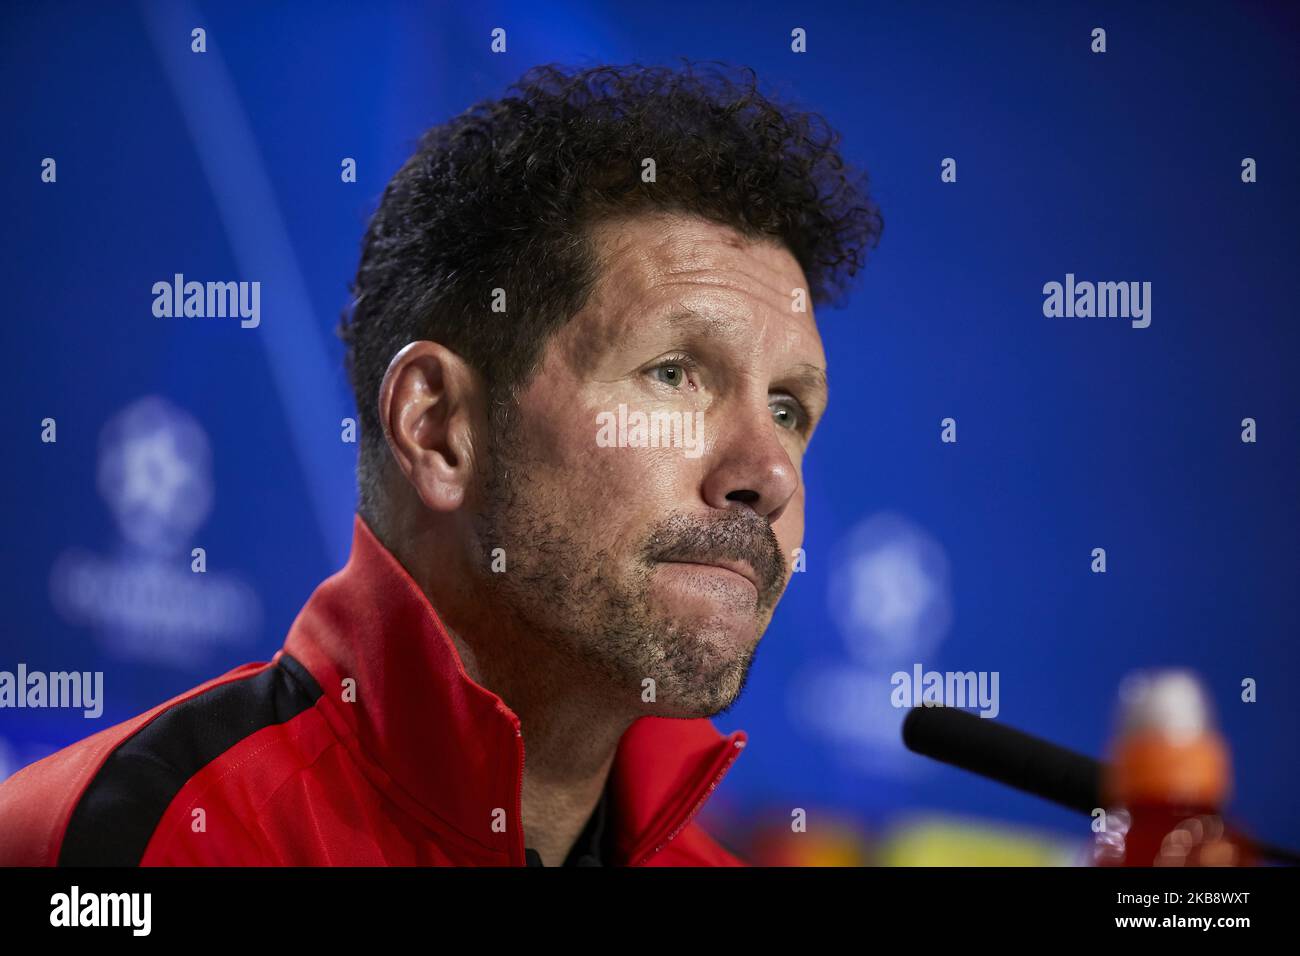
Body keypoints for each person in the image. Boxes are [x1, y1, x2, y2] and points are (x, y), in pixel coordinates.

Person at [0, 61, 880, 866]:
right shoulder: (132, 840)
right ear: (439, 428)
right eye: (674, 374)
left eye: (787, 409)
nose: (769, 473)